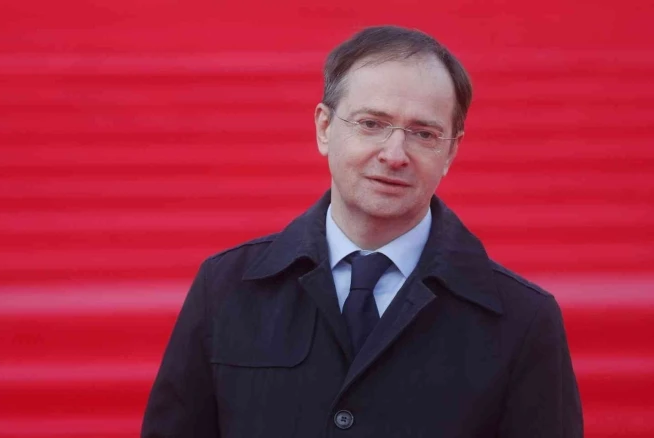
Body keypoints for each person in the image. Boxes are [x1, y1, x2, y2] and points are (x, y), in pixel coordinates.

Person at [141, 25, 583, 438]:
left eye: (423, 133)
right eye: (371, 124)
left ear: (451, 150)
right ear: (324, 128)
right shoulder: (225, 288)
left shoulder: (524, 320)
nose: (394, 154)